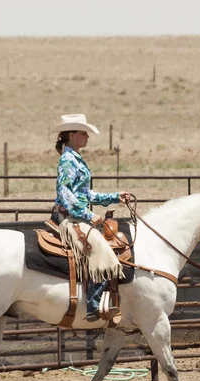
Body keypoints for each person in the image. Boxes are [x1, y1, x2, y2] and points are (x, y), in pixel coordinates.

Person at [49, 114, 131, 322]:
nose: (87, 136)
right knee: (102, 250)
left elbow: (86, 195)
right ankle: (93, 305)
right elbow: (66, 194)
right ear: (72, 134)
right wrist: (88, 214)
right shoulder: (68, 161)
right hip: (70, 218)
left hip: (76, 215)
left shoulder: (74, 159)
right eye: (84, 133)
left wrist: (114, 197)